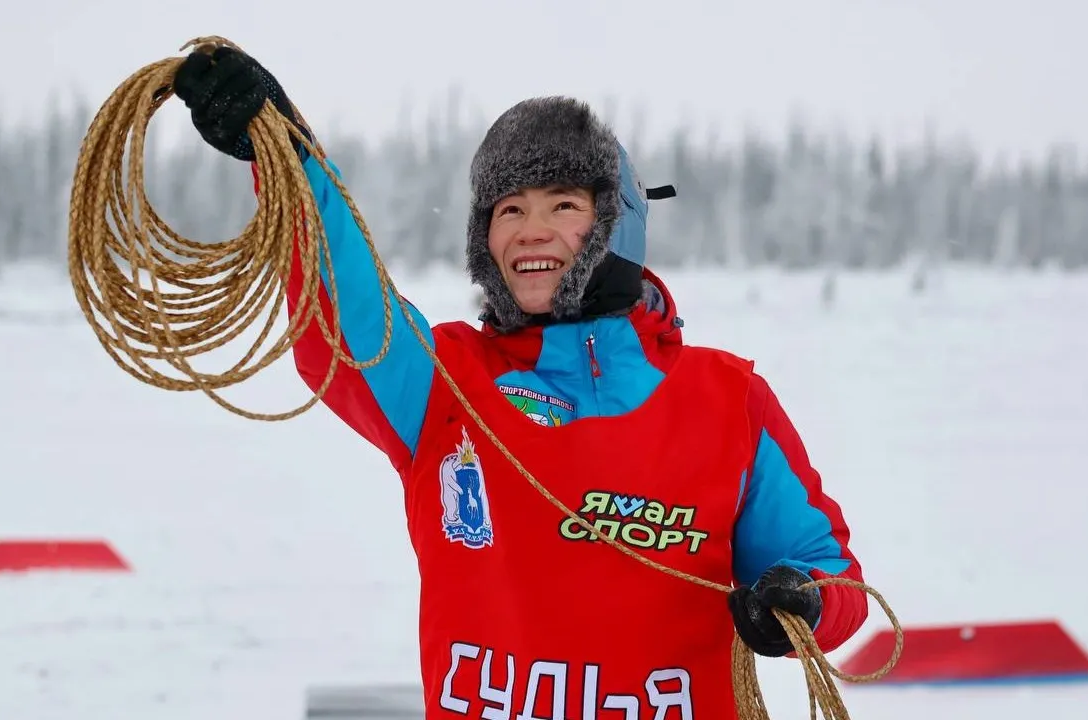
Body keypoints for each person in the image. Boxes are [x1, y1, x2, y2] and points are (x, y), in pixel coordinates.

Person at [172, 46, 869, 719]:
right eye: (509, 210)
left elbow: (828, 575)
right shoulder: (444, 383)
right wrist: (289, 158)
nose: (531, 231)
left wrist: (801, 602)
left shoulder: (727, 401)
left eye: (563, 205)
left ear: (616, 222)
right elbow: (349, 313)